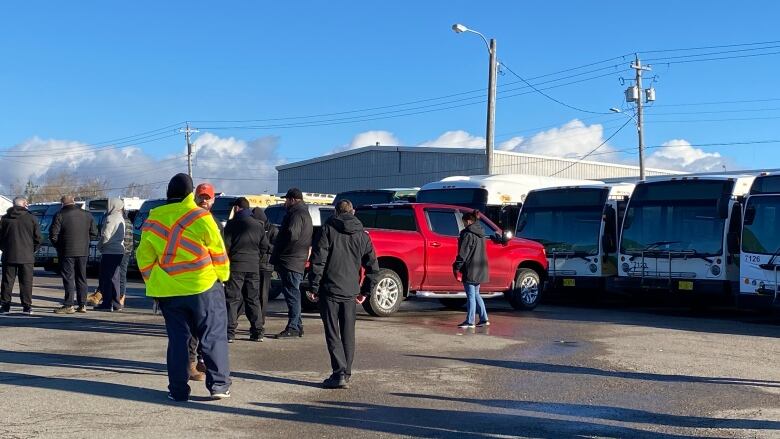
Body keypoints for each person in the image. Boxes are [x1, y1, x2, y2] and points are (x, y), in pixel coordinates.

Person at [136, 173, 231, 401]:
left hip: (169, 292)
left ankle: (178, 390)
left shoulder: (153, 219)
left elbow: (144, 257)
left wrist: (155, 283)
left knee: (178, 341)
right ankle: (218, 386)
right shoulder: (201, 216)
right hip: (203, 286)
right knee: (212, 336)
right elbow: (218, 252)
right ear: (191, 194)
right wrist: (223, 276)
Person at [309, 200, 379, 389]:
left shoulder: (327, 230)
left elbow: (318, 260)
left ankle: (339, 373)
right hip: (350, 290)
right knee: (348, 334)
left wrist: (314, 286)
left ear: (335, 212)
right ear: (353, 211)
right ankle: (345, 372)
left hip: (330, 289)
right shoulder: (363, 235)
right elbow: (373, 266)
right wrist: (366, 290)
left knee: (333, 333)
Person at [223, 197, 269, 342]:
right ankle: (257, 332)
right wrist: (256, 258)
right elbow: (264, 246)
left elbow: (226, 246)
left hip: (236, 266)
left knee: (232, 299)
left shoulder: (231, 224)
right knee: (253, 299)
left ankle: (230, 333)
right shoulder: (258, 225)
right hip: (253, 266)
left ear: (237, 208)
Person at [270, 188, 313, 338]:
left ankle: (293, 327)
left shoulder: (296, 214)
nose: (285, 202)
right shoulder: (304, 213)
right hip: (296, 259)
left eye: (287, 200)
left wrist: (282, 251)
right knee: (293, 292)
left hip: (290, 260)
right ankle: (297, 325)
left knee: (292, 294)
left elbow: (292, 234)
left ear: (293, 199)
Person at [50, 195, 98, 314]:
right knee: (82, 277)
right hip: (83, 251)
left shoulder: (60, 215)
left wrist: (59, 246)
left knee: (68, 278)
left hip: (66, 251)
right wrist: (86, 242)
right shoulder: (87, 214)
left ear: (62, 203)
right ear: (74, 202)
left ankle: (69, 305)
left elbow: (53, 235)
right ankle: (82, 305)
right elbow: (94, 233)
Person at [0, 197, 42, 314]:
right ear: (24, 204)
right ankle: (27, 306)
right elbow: (38, 238)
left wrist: (5, 249)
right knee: (26, 282)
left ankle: (5, 306)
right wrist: (31, 250)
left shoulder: (5, 218)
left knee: (7, 282)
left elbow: (0, 238)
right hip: (26, 256)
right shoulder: (31, 218)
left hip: (9, 255)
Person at [453, 210, 489, 329]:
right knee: (476, 294)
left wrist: (456, 266)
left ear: (468, 221)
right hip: (480, 268)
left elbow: (463, 254)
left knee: (471, 296)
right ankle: (484, 319)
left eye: (463, 222)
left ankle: (470, 321)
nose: (463, 224)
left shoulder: (467, 234)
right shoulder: (482, 234)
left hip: (470, 269)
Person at [95, 198, 125, 312]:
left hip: (109, 251)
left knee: (106, 278)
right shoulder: (121, 218)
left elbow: (106, 235)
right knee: (115, 278)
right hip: (119, 251)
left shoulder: (110, 218)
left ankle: (107, 303)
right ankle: (116, 303)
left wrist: (100, 246)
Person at [252, 207, 278, 331]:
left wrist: (265, 245)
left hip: (266, 266)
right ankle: (256, 320)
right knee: (253, 294)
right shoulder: (254, 228)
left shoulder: (272, 230)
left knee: (263, 294)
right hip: (254, 264)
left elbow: (276, 248)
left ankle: (261, 321)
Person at [118, 205, 134, 307]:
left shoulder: (121, 222)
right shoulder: (129, 222)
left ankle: (119, 297)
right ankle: (121, 298)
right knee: (122, 275)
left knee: (117, 275)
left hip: (120, 251)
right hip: (127, 252)